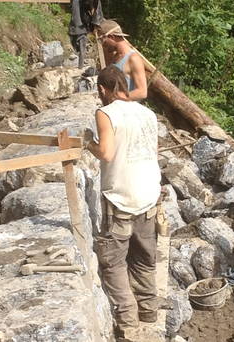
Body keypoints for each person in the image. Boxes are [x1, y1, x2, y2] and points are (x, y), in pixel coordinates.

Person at [86, 65, 161, 337]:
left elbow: (105, 153)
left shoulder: (105, 112)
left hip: (121, 196)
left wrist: (88, 143)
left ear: (103, 89)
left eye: (99, 91)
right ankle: (149, 311)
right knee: (144, 257)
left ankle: (129, 325)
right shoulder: (148, 114)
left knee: (114, 262)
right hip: (149, 193)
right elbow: (152, 151)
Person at [97, 19, 148, 101]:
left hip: (128, 111)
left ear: (111, 37)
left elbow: (142, 92)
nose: (103, 44)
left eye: (102, 39)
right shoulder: (114, 57)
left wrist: (115, 98)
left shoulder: (133, 59)